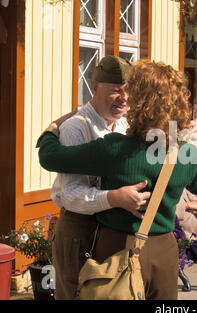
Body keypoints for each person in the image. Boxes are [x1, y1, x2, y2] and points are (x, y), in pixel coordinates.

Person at [38, 60, 197, 300]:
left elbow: (51, 157)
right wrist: (192, 149)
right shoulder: (183, 154)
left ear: (139, 103)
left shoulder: (114, 148)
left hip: (115, 247)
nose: (125, 98)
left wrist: (52, 129)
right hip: (164, 252)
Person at [49, 56, 152, 300]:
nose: (124, 98)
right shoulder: (76, 127)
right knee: (77, 294)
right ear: (94, 87)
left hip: (113, 230)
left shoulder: (126, 125)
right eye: (116, 91)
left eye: (127, 91)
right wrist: (115, 198)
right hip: (78, 229)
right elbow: (71, 194)